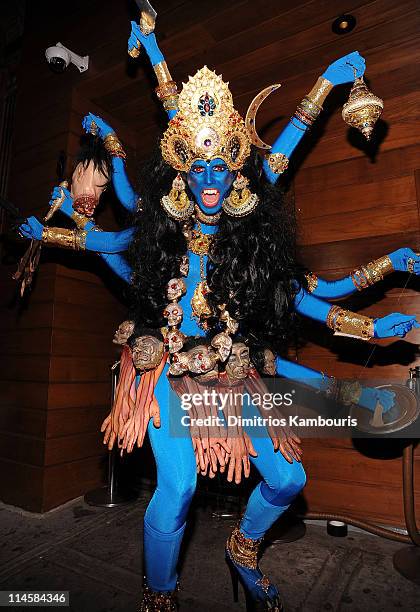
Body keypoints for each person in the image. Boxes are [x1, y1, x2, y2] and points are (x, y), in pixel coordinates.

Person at [18, 21, 420, 612]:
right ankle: (159, 599)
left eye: (220, 169)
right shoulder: (164, 230)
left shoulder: (253, 248)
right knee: (177, 488)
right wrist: (48, 234)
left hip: (228, 375)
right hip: (165, 372)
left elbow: (307, 288)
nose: (209, 179)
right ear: (185, 172)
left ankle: (243, 547)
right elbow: (107, 243)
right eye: (198, 169)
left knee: (287, 480)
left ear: (235, 174)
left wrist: (373, 332)